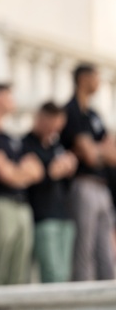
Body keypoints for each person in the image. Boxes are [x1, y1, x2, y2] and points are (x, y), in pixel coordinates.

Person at [0, 83, 43, 286]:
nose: (13, 100)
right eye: (8, 95)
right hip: (0, 203)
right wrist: (19, 172)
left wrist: (16, 172)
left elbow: (37, 171)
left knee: (19, 270)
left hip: (22, 205)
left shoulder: (11, 137)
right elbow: (5, 174)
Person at [61, 63, 116, 281]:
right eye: (96, 77)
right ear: (84, 79)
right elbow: (89, 155)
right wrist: (98, 150)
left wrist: (96, 149)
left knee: (105, 250)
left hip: (102, 187)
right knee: (84, 248)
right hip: (83, 184)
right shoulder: (71, 110)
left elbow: (110, 151)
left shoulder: (94, 114)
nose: (99, 82)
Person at [23, 101, 78, 283]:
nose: (55, 131)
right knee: (52, 274)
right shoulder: (26, 144)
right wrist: (51, 172)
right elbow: (33, 178)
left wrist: (69, 168)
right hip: (44, 217)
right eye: (52, 126)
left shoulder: (56, 146)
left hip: (64, 216)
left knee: (64, 275)